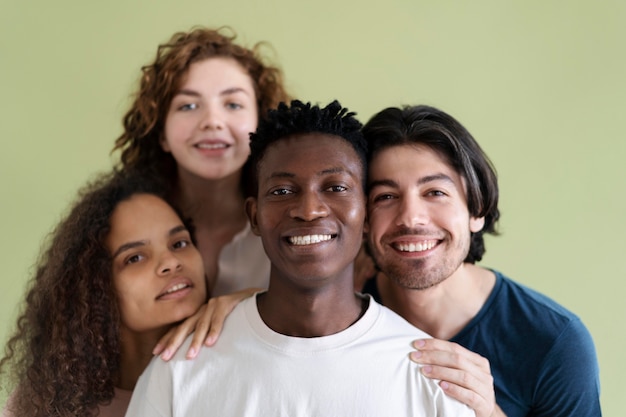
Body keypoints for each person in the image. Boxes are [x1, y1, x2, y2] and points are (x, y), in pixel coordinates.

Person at [125, 100, 475, 416]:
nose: (308, 210)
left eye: (336, 187)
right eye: (282, 191)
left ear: (366, 214)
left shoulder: (431, 376)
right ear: (255, 216)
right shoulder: (181, 367)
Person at [361, 104, 602, 417]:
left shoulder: (555, 343)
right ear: (363, 218)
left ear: (477, 209)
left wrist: (489, 414)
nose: (411, 218)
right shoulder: (338, 318)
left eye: (435, 192)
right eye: (386, 197)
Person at [112, 27, 291, 359]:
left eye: (233, 104)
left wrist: (254, 301)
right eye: (188, 106)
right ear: (160, 132)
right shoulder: (117, 224)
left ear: (262, 124)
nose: (212, 121)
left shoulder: (295, 227)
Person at [0, 171, 207, 417]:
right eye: (135, 258)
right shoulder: (44, 399)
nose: (171, 262)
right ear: (96, 284)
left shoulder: (233, 360)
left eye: (179, 243)